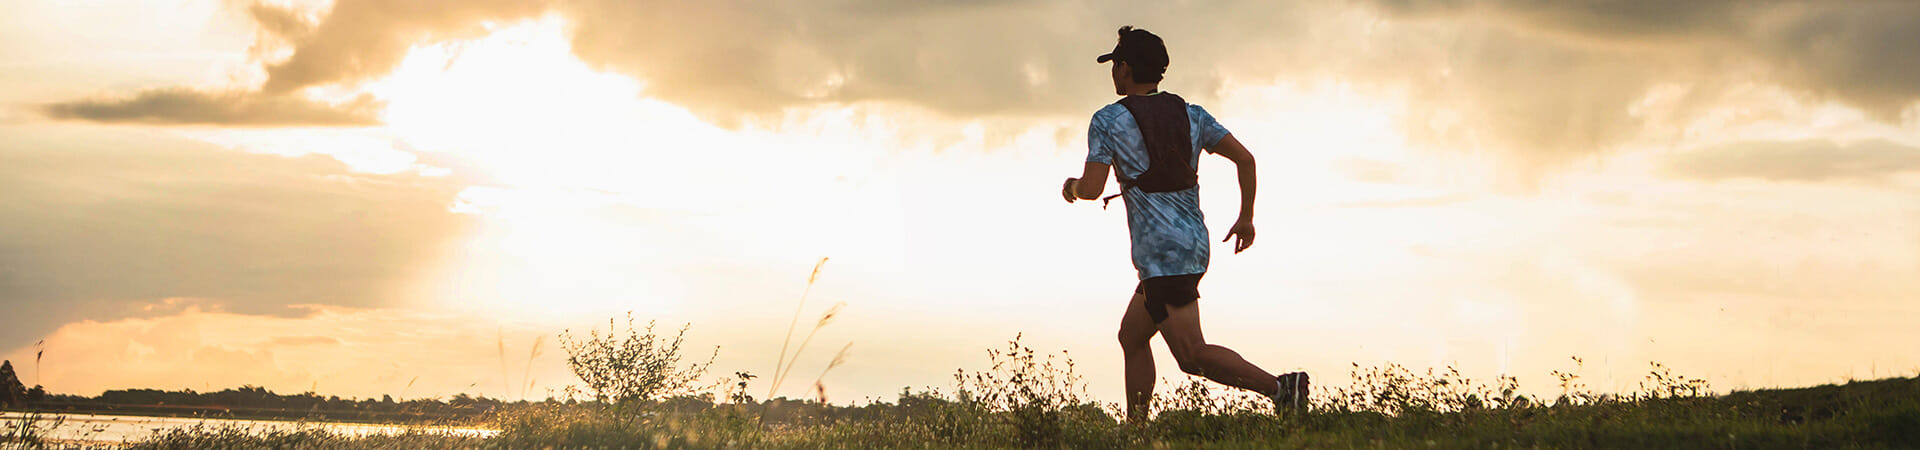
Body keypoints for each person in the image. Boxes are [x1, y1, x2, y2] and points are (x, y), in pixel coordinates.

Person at [1062, 26, 1307, 422]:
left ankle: (1282, 390)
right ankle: (1137, 432)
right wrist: (1246, 217)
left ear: (1125, 69)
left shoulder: (1108, 120)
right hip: (1191, 243)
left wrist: (1071, 187)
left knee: (1191, 355)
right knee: (1132, 336)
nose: (1113, 73)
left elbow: (1091, 189)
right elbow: (1246, 160)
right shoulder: (1193, 115)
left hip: (1162, 254)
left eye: (1115, 65)